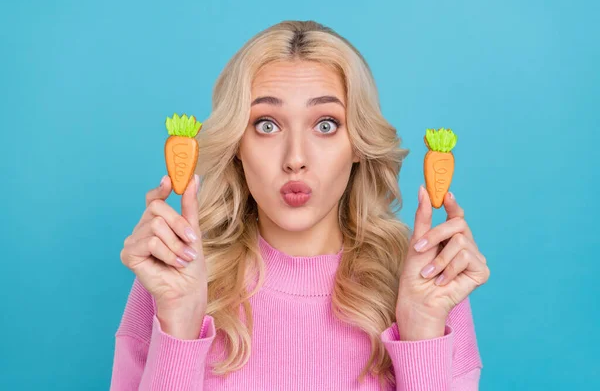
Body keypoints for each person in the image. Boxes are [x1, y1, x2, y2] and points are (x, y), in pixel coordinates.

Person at [110, 20, 490, 391]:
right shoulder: (173, 277)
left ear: (358, 144)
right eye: (266, 125)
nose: (295, 158)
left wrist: (422, 333)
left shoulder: (431, 283)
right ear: (237, 146)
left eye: (325, 124)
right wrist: (178, 327)